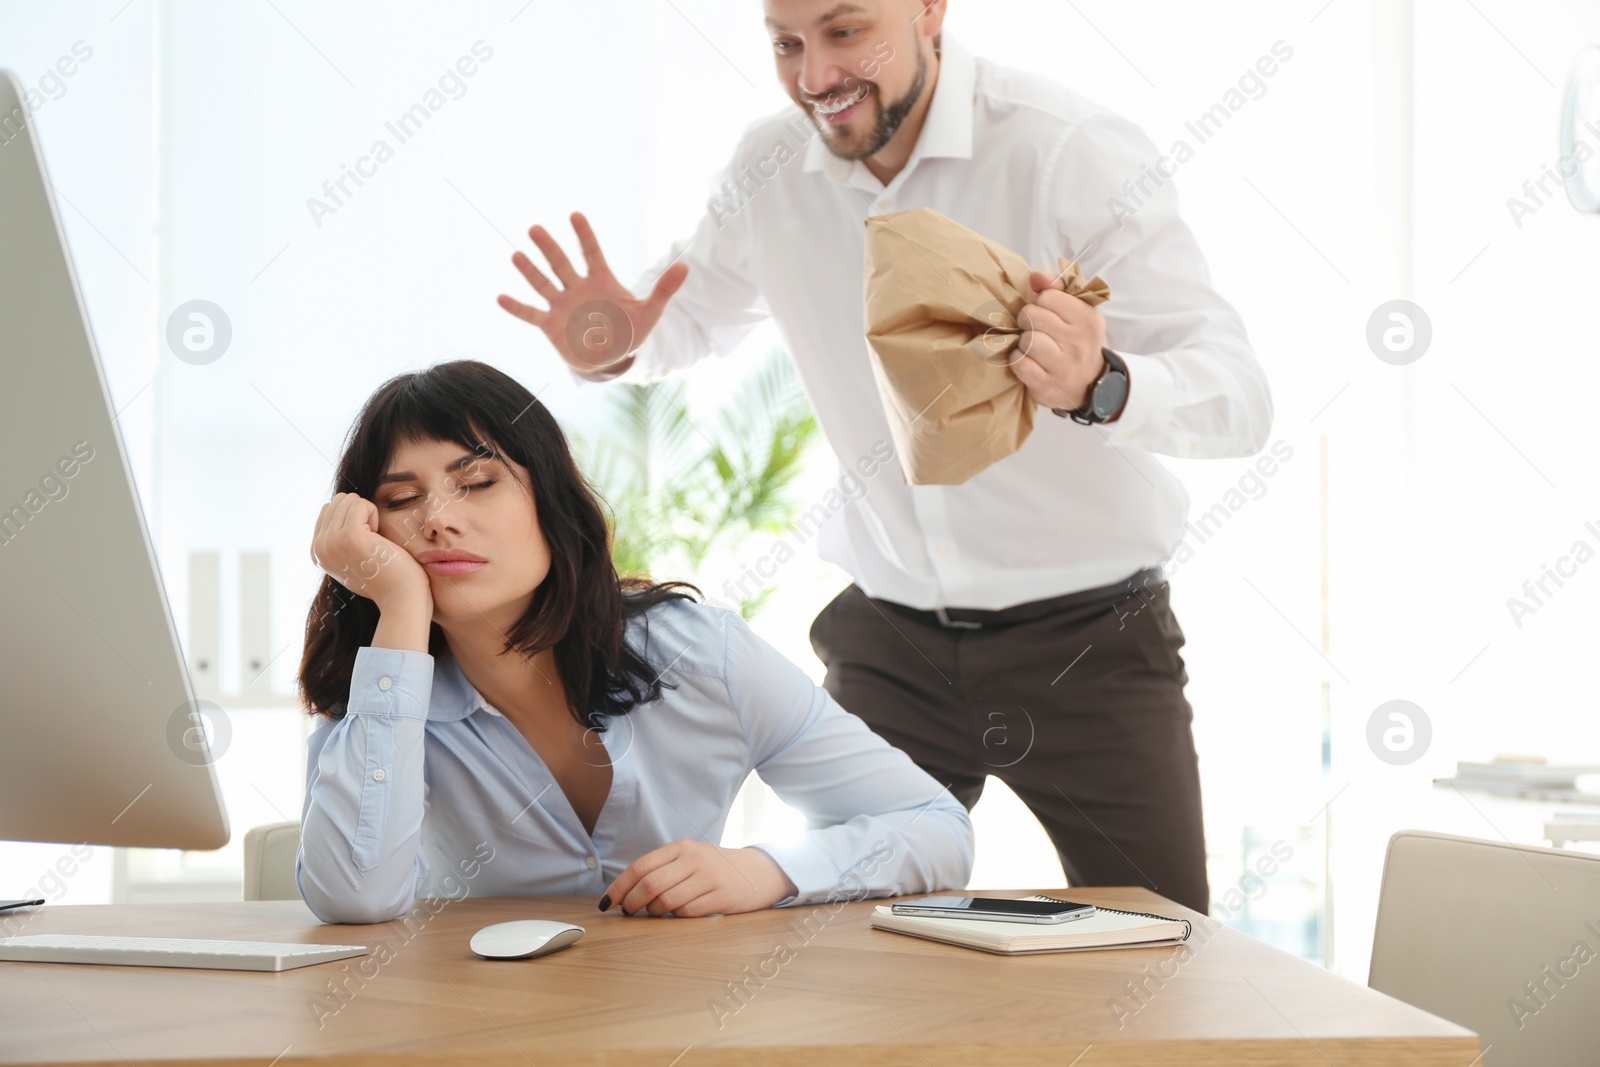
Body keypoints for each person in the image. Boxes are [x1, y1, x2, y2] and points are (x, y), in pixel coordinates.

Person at [497, 0, 1274, 914]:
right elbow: (686, 310)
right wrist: (614, 340)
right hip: (892, 640)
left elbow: (1239, 396)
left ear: (930, 11)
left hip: (1091, 646)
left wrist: (1099, 382)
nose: (815, 76)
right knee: (834, 941)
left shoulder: (1065, 151)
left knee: (1164, 946)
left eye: (846, 31)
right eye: (787, 44)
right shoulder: (771, 167)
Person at [293, 359, 973, 925]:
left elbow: (937, 829)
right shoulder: (377, 692)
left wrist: (765, 869)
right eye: (403, 499)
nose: (438, 519)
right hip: (478, 1026)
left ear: (551, 503)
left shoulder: (703, 654)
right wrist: (403, 606)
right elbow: (356, 897)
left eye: (476, 482)